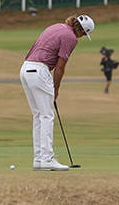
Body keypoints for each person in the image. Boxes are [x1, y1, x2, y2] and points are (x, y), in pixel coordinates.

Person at [19, 14, 95, 171]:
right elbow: (60, 67)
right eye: (83, 34)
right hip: (40, 70)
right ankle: (47, 159)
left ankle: (39, 159)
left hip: (25, 69)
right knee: (47, 116)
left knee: (39, 116)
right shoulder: (71, 37)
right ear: (81, 31)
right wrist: (56, 88)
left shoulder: (56, 26)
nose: (80, 37)